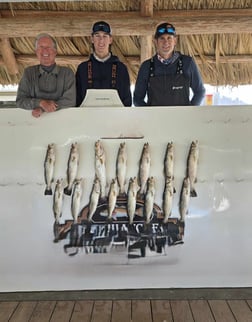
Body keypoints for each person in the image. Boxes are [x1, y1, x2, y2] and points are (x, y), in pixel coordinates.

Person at [133, 22, 205, 106]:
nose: (166, 42)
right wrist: (149, 116)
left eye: (169, 38)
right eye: (162, 38)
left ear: (175, 40)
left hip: (182, 118)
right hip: (156, 118)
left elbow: (200, 91)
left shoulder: (188, 63)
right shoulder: (146, 66)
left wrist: (189, 112)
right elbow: (137, 99)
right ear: (155, 41)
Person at [16, 33, 76, 118]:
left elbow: (70, 101)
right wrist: (40, 102)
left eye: (48, 47)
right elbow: (20, 101)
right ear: (36, 52)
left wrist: (42, 108)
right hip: (35, 124)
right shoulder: (29, 73)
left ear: (55, 52)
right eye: (41, 47)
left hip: (63, 123)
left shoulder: (67, 73)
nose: (45, 51)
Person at [76, 21, 132, 107]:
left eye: (105, 36)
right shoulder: (82, 69)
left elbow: (127, 101)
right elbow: (77, 100)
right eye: (97, 36)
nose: (101, 40)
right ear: (92, 39)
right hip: (87, 117)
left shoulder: (121, 69)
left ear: (110, 40)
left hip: (115, 118)